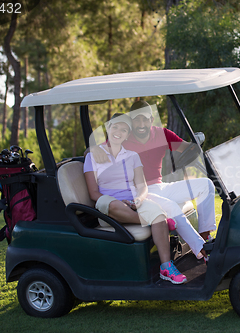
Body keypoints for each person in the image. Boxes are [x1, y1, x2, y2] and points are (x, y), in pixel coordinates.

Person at [92, 100, 217, 258]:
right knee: (171, 206)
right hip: (139, 191)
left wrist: (196, 142)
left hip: (160, 186)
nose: (142, 123)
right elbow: (101, 149)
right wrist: (93, 148)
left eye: (145, 119)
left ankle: (205, 237)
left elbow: (186, 149)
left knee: (206, 185)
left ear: (151, 119)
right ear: (131, 121)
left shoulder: (162, 134)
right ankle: (202, 251)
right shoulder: (124, 136)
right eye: (137, 119)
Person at [83, 113, 187, 284]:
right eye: (115, 127)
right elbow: (93, 193)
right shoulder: (93, 156)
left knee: (156, 212)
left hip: (132, 205)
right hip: (107, 208)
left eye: (124, 130)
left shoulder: (132, 156)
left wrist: (138, 199)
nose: (118, 132)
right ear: (108, 128)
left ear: (127, 134)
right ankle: (155, 222)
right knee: (120, 207)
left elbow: (142, 186)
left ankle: (166, 267)